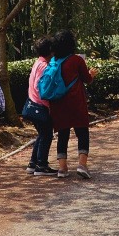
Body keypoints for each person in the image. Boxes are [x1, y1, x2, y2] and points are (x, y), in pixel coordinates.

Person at [47, 30, 98, 179]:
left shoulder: (54, 61)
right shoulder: (76, 60)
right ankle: (82, 165)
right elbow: (87, 79)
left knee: (63, 134)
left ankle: (62, 168)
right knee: (82, 133)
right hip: (76, 102)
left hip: (58, 103)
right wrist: (92, 74)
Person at [24, 36, 57, 176]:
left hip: (31, 104)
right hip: (40, 106)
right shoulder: (45, 66)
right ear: (50, 50)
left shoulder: (38, 62)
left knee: (42, 134)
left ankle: (33, 163)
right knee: (47, 135)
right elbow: (41, 87)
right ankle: (41, 165)